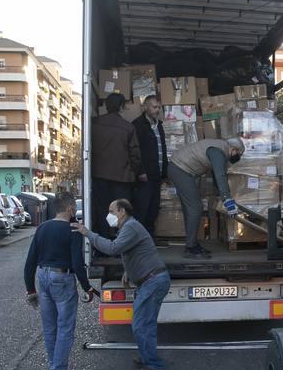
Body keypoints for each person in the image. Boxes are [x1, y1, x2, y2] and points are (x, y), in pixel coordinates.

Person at [73, 198, 170, 370]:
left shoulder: (130, 227)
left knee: (141, 325)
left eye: (111, 211)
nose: (108, 215)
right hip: (151, 280)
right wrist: (129, 270)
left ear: (122, 212)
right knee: (145, 325)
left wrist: (88, 233)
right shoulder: (129, 227)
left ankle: (154, 366)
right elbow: (135, 251)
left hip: (153, 281)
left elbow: (113, 248)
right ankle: (147, 358)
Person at [24, 191, 94, 370]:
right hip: (62, 278)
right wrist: (87, 288)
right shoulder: (73, 230)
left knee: (50, 327)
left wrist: (31, 289)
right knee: (65, 326)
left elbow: (30, 261)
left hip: (43, 277)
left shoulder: (42, 228)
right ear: (71, 209)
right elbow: (77, 264)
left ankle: (55, 368)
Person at [167, 137, 245, 257]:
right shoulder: (219, 152)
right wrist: (228, 200)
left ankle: (191, 243)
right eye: (238, 154)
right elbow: (220, 176)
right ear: (233, 149)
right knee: (196, 208)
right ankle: (191, 248)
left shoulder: (219, 148)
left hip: (178, 168)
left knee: (190, 209)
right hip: (181, 170)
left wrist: (222, 195)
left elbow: (216, 176)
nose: (237, 157)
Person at [92, 92, 142, 239]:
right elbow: (135, 154)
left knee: (102, 210)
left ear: (106, 106)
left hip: (99, 175)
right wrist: (135, 172)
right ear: (121, 107)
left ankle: (104, 241)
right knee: (121, 211)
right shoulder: (127, 127)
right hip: (122, 177)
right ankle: (121, 241)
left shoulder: (94, 124)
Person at [133, 95, 168, 237]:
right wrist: (140, 171)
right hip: (144, 176)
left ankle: (149, 239)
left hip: (157, 175)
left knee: (154, 209)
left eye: (159, 107)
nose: (157, 110)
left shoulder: (158, 125)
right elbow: (134, 150)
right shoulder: (137, 125)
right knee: (142, 208)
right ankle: (138, 240)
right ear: (145, 107)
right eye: (154, 107)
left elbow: (163, 149)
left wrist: (165, 172)